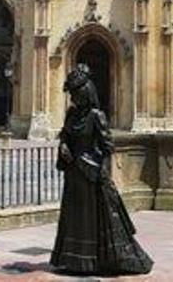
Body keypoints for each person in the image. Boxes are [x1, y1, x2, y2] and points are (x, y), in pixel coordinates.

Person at [51, 64, 153, 276]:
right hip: (74, 175)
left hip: (90, 176)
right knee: (74, 218)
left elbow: (107, 147)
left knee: (92, 220)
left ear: (86, 93)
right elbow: (65, 136)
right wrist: (64, 147)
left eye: (76, 94)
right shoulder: (71, 115)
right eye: (72, 94)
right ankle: (73, 261)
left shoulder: (96, 116)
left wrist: (98, 170)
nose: (73, 98)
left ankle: (93, 262)